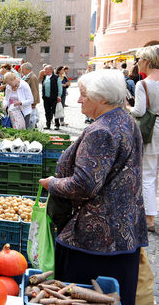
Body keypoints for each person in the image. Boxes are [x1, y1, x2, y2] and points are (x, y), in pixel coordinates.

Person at [39, 69, 147, 305]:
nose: (78, 99)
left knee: (86, 295)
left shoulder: (100, 131)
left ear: (102, 99)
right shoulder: (126, 120)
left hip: (96, 239)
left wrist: (52, 183)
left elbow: (84, 185)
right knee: (119, 294)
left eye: (84, 95)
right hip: (123, 231)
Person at [129, 45, 159, 232]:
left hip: (152, 131)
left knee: (147, 175)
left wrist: (127, 107)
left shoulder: (144, 84)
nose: (137, 62)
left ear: (146, 61)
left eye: (139, 59)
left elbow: (139, 111)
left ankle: (149, 218)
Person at [41, 65, 62, 130]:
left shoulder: (56, 77)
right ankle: (48, 124)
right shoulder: (45, 77)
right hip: (46, 98)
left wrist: (59, 96)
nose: (44, 71)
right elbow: (43, 87)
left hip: (54, 97)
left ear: (50, 70)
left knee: (55, 111)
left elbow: (60, 87)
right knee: (47, 111)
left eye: (45, 69)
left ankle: (57, 125)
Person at [21, 62, 40, 128]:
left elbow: (34, 91)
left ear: (27, 69)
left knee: (31, 120)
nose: (21, 71)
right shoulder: (27, 76)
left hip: (31, 102)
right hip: (27, 101)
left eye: (22, 69)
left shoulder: (32, 77)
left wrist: (34, 103)